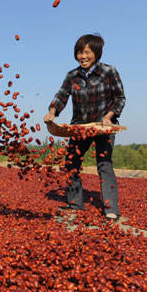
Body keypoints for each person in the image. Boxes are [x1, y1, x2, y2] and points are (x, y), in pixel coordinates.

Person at [44, 34, 126, 222]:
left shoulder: (108, 71)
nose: (83, 56)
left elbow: (120, 97)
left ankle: (111, 209)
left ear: (96, 53)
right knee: (71, 163)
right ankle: (75, 204)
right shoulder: (72, 75)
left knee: (104, 165)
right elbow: (61, 96)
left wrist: (108, 117)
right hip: (80, 127)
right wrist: (52, 112)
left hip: (103, 126)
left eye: (87, 52)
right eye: (79, 52)